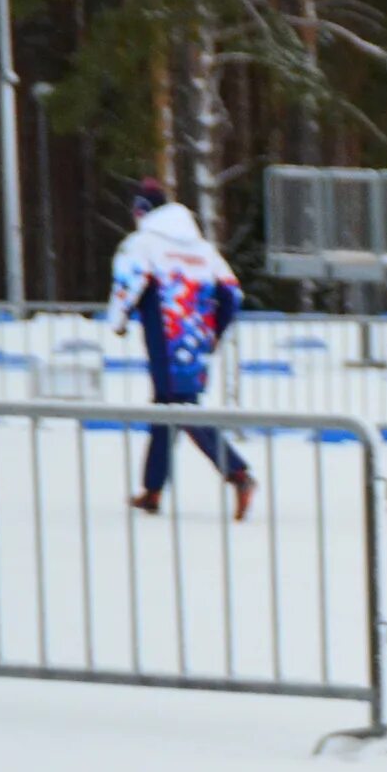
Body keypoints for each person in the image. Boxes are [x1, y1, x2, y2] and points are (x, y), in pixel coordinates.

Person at [103, 177, 255, 521]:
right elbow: (232, 293)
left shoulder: (142, 244)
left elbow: (128, 282)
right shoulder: (202, 248)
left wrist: (118, 319)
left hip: (165, 336)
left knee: (179, 409)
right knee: (167, 408)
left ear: (142, 211)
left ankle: (239, 474)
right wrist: (213, 331)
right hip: (195, 341)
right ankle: (153, 489)